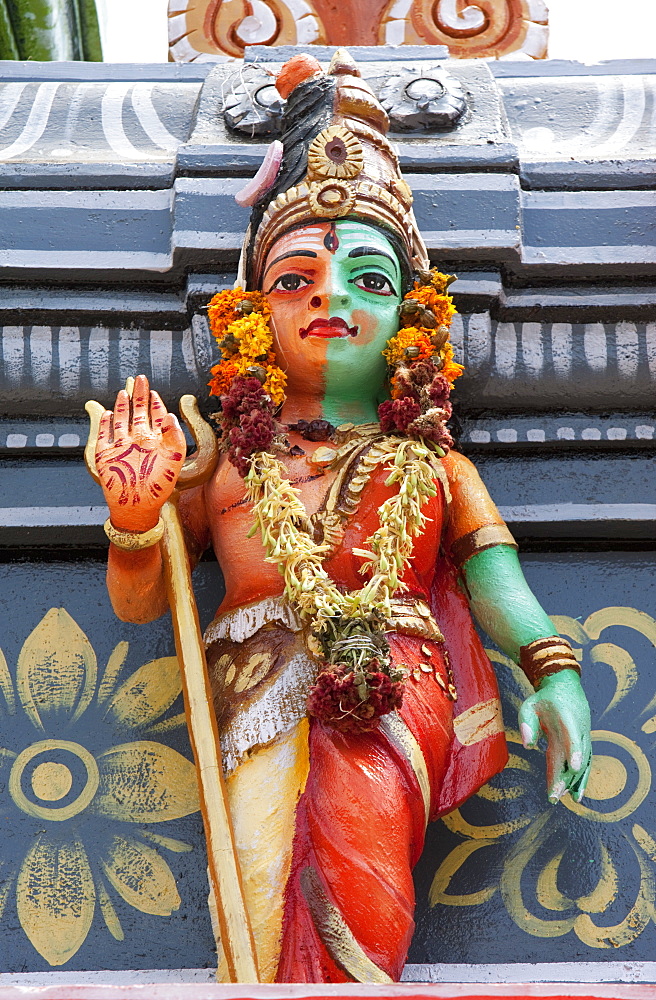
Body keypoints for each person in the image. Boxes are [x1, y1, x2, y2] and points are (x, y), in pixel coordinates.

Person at [93, 50, 591, 984]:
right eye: (296, 280)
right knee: (255, 896)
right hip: (252, 695)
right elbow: (139, 603)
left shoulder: (435, 466)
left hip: (389, 697)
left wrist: (553, 673)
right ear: (253, 317)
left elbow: (496, 585)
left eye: (369, 277)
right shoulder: (223, 464)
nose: (332, 296)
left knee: (359, 904)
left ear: (410, 316)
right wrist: (135, 515)